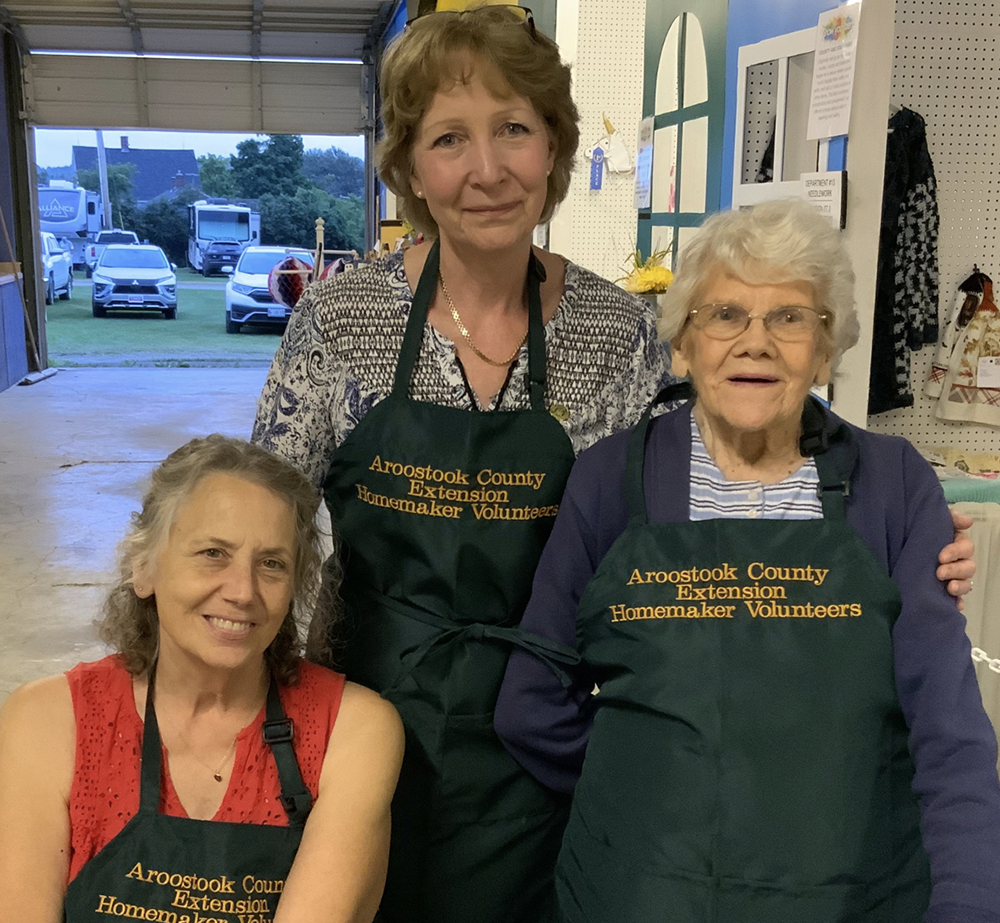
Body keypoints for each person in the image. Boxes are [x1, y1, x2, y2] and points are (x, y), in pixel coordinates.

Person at [252, 6, 975, 922]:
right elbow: (260, 524)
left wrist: (905, 531)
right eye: (449, 139)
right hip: (362, 734)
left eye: (515, 128)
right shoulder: (338, 324)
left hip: (547, 757)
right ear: (408, 168)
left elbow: (721, 478)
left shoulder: (619, 333)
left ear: (552, 148)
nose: (487, 169)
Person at [495, 198, 1000, 923]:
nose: (755, 341)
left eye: (791, 317)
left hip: (852, 896)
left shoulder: (893, 485)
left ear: (827, 349)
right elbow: (531, 702)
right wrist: (646, 789)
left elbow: (949, 730)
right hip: (641, 898)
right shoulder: (611, 480)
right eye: (725, 314)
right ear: (683, 343)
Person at [0, 435, 403, 923]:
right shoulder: (46, 722)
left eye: (271, 564)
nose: (242, 590)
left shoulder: (353, 729)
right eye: (213, 553)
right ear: (143, 567)